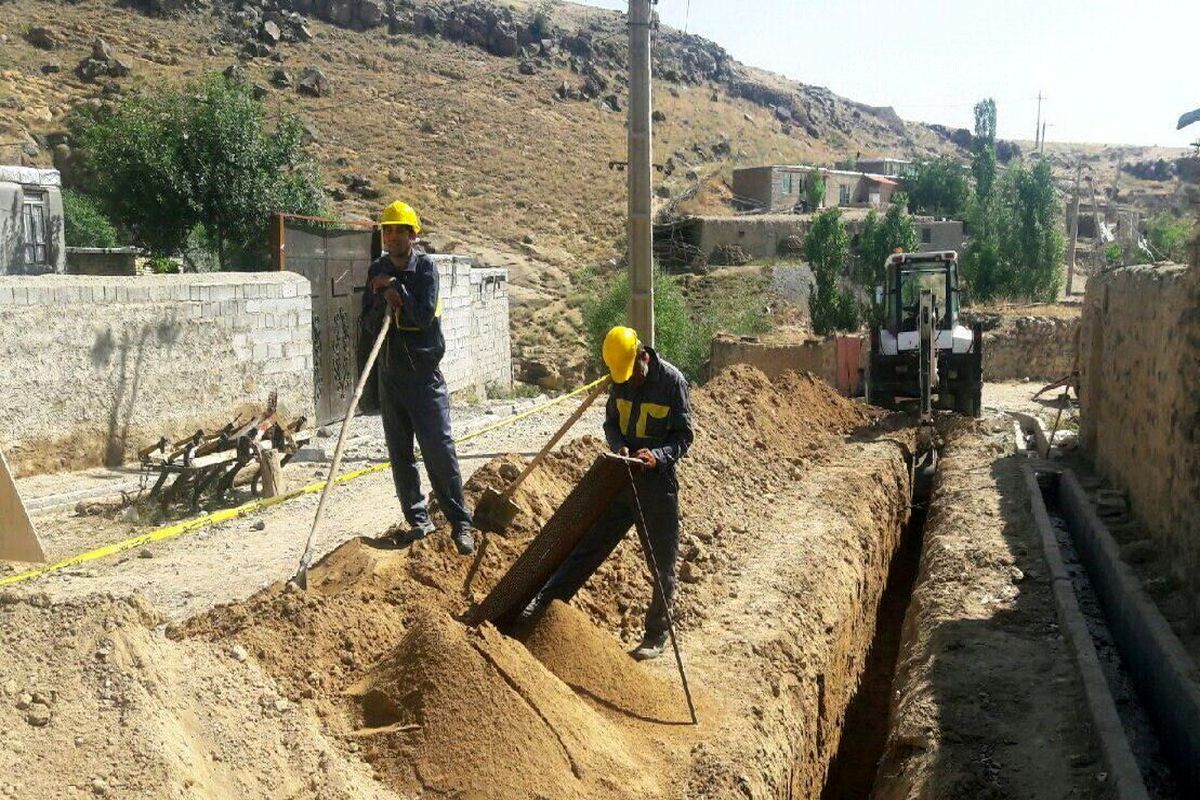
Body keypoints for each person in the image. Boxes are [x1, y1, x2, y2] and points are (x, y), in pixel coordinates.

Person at [523, 326, 693, 660]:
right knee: (587, 547)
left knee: (662, 563)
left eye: (632, 374)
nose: (629, 382)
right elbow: (611, 425)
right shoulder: (620, 380)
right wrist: (620, 447)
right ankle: (543, 607)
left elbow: (684, 436)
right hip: (621, 479)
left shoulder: (673, 383)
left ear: (643, 356)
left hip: (657, 484)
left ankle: (656, 635)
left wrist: (656, 456)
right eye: (622, 378)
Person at [363, 200, 475, 556]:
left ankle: (461, 523)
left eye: (399, 230)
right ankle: (419, 522)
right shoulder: (376, 269)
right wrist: (380, 298)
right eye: (387, 230)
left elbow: (423, 317)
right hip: (390, 376)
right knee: (400, 454)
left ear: (413, 235)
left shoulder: (425, 269)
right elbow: (367, 322)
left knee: (438, 450)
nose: (392, 236)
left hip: (424, 376)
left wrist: (396, 291)